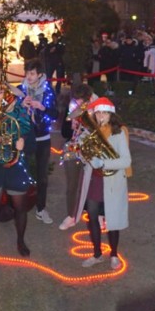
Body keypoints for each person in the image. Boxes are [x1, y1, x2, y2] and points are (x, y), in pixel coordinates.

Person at [74, 97, 132, 269]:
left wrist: (104, 163)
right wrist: (80, 152)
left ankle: (114, 254)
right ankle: (97, 254)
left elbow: (126, 161)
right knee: (92, 216)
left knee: (113, 219)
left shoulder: (118, 132)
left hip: (112, 180)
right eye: (98, 112)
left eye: (104, 113)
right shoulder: (89, 132)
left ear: (111, 114)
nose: (101, 116)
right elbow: (84, 155)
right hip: (95, 179)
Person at [0, 83, 35, 263]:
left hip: (16, 167)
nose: (1, 98)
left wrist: (24, 144)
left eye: (4, 95)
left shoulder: (23, 116)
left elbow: (33, 144)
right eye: (0, 95)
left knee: (20, 208)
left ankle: (20, 241)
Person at [19, 58, 57, 225]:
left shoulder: (48, 90)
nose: (29, 76)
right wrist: (22, 104)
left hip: (42, 138)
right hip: (25, 138)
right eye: (27, 73)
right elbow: (13, 113)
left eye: (32, 73)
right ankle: (21, 207)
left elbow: (55, 114)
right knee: (23, 174)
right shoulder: (21, 89)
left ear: (40, 74)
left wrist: (42, 108)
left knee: (42, 177)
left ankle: (41, 209)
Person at [58, 83, 97, 230]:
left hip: (91, 150)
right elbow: (64, 133)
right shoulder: (72, 108)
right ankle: (70, 215)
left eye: (82, 101)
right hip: (73, 150)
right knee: (72, 184)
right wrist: (71, 126)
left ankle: (97, 215)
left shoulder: (96, 109)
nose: (79, 103)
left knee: (94, 184)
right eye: (77, 100)